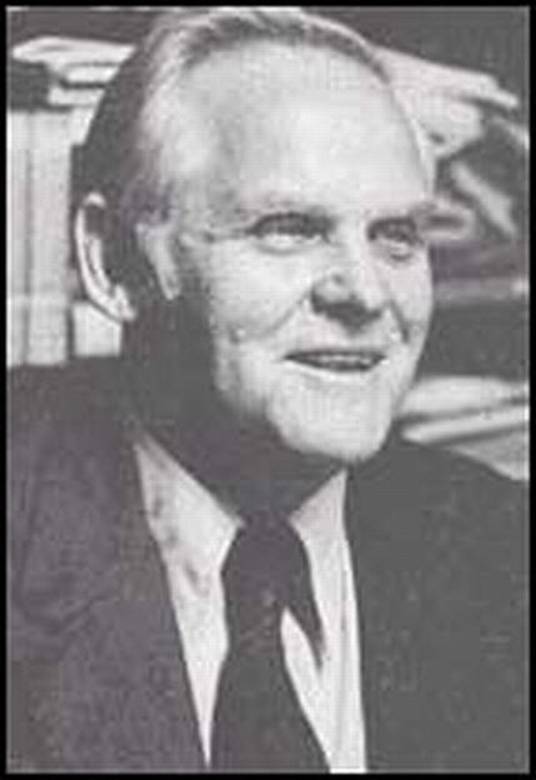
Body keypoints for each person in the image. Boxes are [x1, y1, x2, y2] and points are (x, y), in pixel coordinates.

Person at [8, 7, 527, 772]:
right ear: (113, 263)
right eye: (289, 228)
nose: (366, 294)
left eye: (397, 237)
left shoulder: (503, 554)